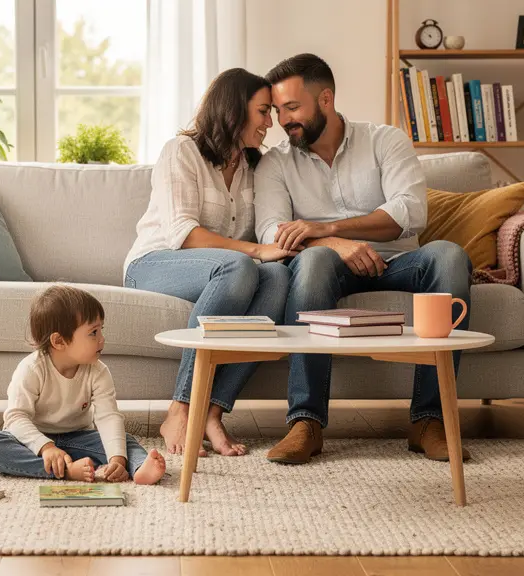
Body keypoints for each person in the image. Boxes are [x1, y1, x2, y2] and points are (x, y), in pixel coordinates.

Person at [253, 53, 473, 465]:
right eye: (278, 110)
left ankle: (430, 419)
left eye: (293, 107)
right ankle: (306, 422)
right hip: (323, 266)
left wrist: (329, 228)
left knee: (449, 256)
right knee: (314, 263)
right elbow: (271, 232)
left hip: (397, 262)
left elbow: (410, 211)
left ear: (325, 99)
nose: (283, 120)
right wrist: (332, 246)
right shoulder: (275, 164)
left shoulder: (384, 140)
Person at [123, 68, 295, 457]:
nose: (271, 122)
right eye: (263, 111)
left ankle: (212, 412)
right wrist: (253, 251)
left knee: (278, 278)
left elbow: (264, 232)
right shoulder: (181, 151)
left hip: (224, 271)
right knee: (241, 265)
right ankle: (181, 408)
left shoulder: (257, 166)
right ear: (234, 109)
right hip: (154, 264)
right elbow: (184, 233)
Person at [0, 285, 167, 485]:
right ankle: (66, 471)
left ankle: (138, 468)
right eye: (93, 332)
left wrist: (117, 459)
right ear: (59, 341)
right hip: (33, 440)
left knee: (124, 442)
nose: (102, 339)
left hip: (79, 438)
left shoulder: (98, 371)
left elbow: (108, 416)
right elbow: (15, 418)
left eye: (102, 329)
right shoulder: (31, 369)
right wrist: (46, 447)